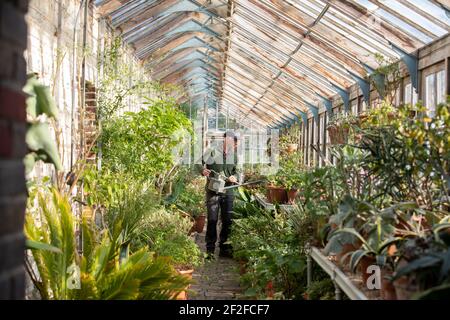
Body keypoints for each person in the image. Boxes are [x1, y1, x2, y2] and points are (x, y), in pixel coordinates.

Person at [197, 131, 242, 259]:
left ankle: (224, 248)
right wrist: (202, 170)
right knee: (212, 220)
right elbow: (198, 163)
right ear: (224, 140)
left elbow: (238, 171)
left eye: (233, 143)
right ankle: (210, 249)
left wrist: (235, 176)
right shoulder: (211, 151)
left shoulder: (234, 156)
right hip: (213, 190)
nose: (231, 145)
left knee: (227, 221)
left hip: (228, 191)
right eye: (229, 141)